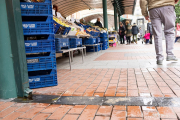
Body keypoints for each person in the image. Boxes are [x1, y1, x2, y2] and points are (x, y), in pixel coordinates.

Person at [140, 0, 179, 65]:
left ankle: (159, 58)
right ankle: (170, 54)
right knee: (169, 31)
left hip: (153, 8)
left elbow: (143, 1)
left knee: (157, 34)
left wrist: (145, 13)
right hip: (167, 5)